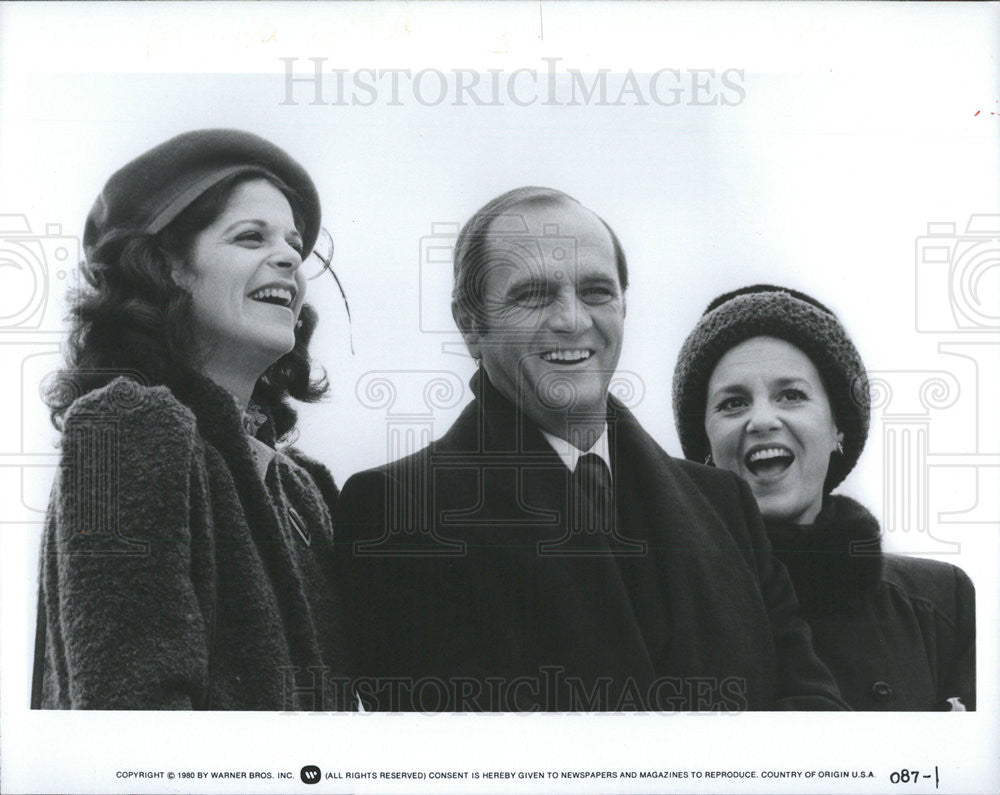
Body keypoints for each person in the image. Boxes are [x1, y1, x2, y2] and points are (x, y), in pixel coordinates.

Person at [334, 187, 846, 711]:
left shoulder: (725, 504)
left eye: (597, 291)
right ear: (470, 326)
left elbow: (813, 711)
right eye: (532, 294)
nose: (573, 319)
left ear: (624, 306)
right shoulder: (400, 511)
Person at [33, 129, 350, 710]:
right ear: (169, 269)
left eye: (294, 244)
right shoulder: (124, 429)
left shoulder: (302, 488)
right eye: (250, 237)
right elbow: (129, 719)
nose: (288, 257)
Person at [672, 284, 976, 710]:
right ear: (703, 443)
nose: (762, 420)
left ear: (838, 428)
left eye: (791, 395)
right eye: (733, 402)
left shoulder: (943, 604)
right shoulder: (665, 605)